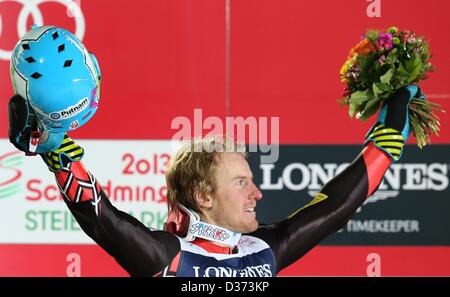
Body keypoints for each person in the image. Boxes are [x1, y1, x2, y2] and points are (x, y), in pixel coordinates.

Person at [8, 26, 426, 277]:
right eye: (242, 182)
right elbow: (104, 221)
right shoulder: (171, 259)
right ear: (204, 197)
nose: (257, 194)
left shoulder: (262, 250)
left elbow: (334, 207)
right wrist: (58, 150)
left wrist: (385, 143)